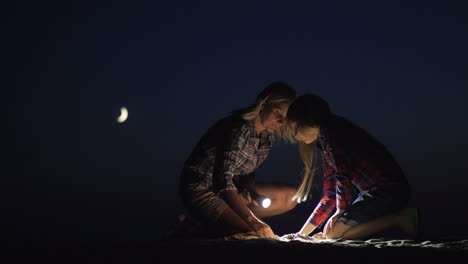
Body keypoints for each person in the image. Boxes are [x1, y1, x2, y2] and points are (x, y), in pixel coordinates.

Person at [285, 94, 418, 240]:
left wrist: (341, 211)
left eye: (295, 128)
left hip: (387, 190)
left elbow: (343, 175)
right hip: (379, 192)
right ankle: (398, 219)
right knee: (331, 234)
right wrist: (301, 234)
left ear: (307, 119)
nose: (295, 136)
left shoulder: (333, 131)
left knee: (332, 234)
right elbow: (330, 195)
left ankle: (398, 219)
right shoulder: (325, 141)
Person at [177, 82, 298, 239]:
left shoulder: (267, 137)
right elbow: (222, 179)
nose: (281, 123)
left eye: (284, 120)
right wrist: (253, 222)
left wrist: (249, 190)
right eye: (277, 115)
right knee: (254, 233)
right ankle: (191, 233)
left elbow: (245, 172)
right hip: (202, 188)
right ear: (263, 104)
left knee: (289, 197)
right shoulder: (238, 128)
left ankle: (219, 225)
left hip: (231, 189)